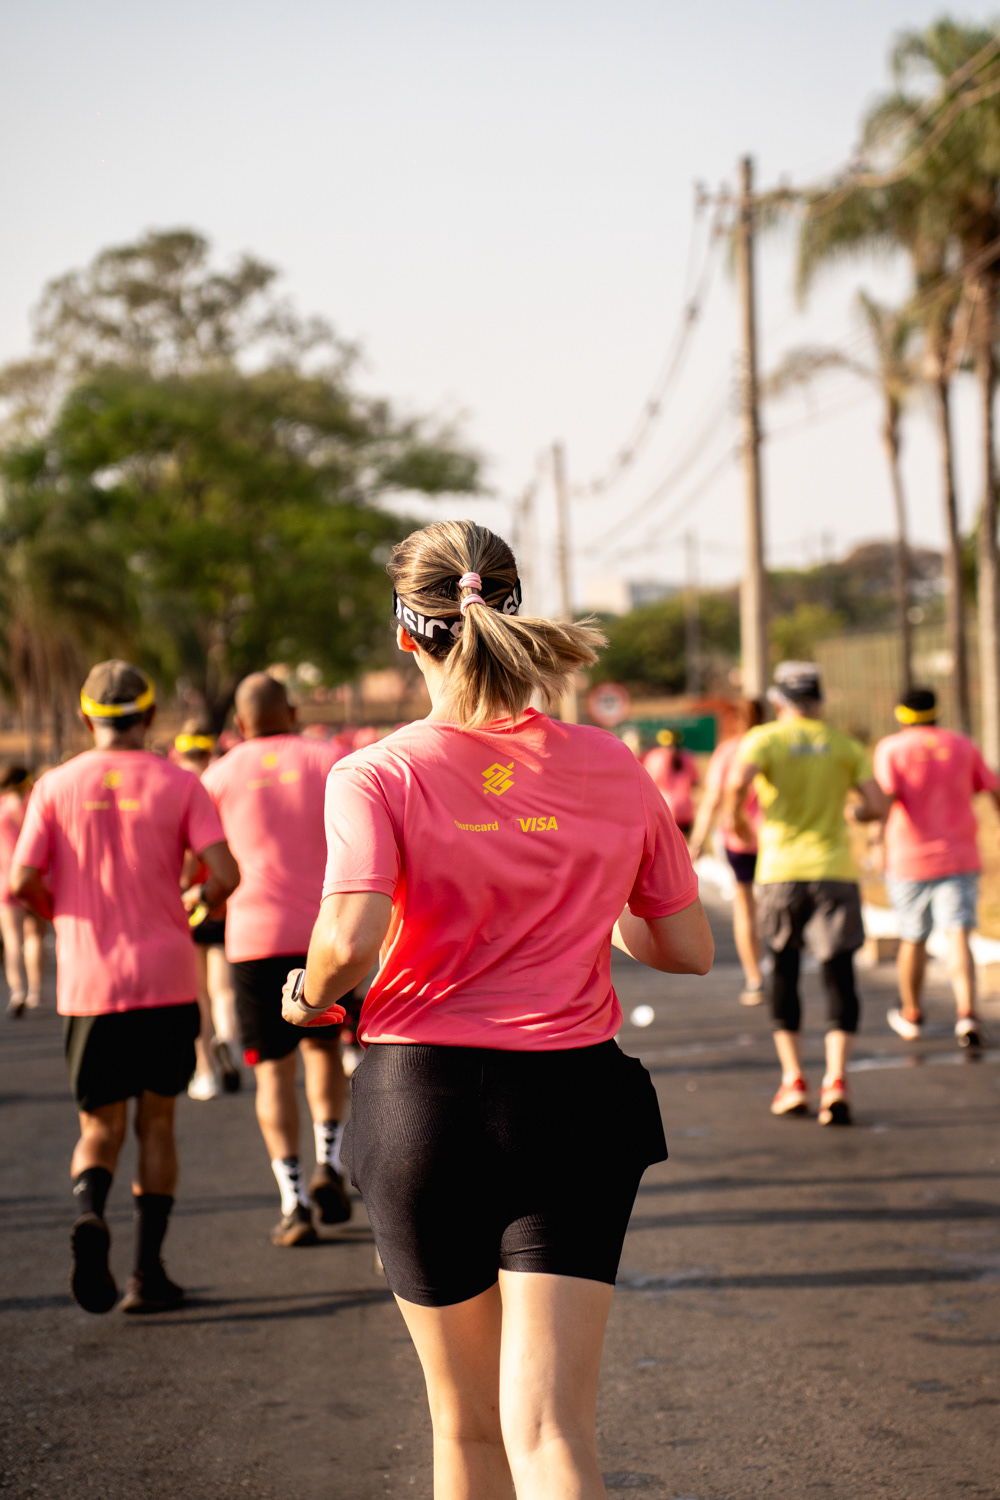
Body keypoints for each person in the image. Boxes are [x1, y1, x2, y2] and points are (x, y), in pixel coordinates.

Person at [281, 519, 713, 1500]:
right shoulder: (612, 763)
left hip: (422, 1102)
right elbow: (684, 947)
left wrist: (306, 996)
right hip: (573, 1102)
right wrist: (577, 901)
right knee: (552, 1431)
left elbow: (348, 944)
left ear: (405, 633)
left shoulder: (376, 772)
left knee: (468, 1427)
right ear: (512, 609)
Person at [10, 661, 239, 1314]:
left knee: (99, 1126)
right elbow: (226, 873)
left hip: (90, 983)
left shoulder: (53, 786)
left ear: (87, 718)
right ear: (149, 714)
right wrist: (196, 903)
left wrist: (63, 916)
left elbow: (22, 881)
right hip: (165, 976)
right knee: (157, 1122)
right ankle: (146, 1275)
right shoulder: (179, 782)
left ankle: (90, 1210)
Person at [202, 673, 352, 1247]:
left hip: (252, 940)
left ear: (240, 724)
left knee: (271, 1071)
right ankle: (329, 1163)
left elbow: (204, 869)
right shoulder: (330, 759)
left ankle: (294, 1202)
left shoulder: (217, 776)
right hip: (324, 934)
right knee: (323, 1050)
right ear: (291, 712)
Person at [725, 661, 887, 1126]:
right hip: (836, 870)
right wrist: (856, 815)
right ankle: (836, 1081)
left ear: (779, 700)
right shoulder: (845, 745)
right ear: (821, 700)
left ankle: (793, 1080)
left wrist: (738, 822)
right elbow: (877, 804)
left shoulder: (765, 739)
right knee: (839, 974)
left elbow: (737, 784)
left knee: (784, 969)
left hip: (781, 871)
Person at [873, 687, 1000, 1050]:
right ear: (936, 711)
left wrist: (874, 838)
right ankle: (967, 1014)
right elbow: (993, 787)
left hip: (909, 857)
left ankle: (912, 1013)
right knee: (958, 932)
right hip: (960, 854)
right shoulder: (962, 745)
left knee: (913, 936)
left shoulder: (891, 749)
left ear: (901, 715)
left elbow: (883, 799)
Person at [173, 723, 242, 1098]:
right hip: (221, 899)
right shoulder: (222, 786)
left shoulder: (179, 790)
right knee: (223, 989)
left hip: (190, 902)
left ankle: (205, 1073)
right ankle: (228, 1038)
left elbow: (185, 857)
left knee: (198, 993)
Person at [689, 700, 766, 1004]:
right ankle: (780, 968)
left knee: (745, 907)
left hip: (739, 839)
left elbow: (712, 800)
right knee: (774, 907)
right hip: (777, 840)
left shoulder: (729, 751)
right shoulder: (777, 744)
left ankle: (755, 979)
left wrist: (696, 842)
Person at [0, 766, 46, 1016]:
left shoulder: (2, 808)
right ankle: (35, 992)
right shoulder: (34, 805)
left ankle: (17, 991)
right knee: (34, 937)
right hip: (33, 878)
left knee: (12, 940)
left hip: (5, 880)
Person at [642, 728, 699, 835]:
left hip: (665, 810)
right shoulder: (687, 757)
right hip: (686, 810)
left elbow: (648, 786)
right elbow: (695, 782)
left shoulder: (654, 758)